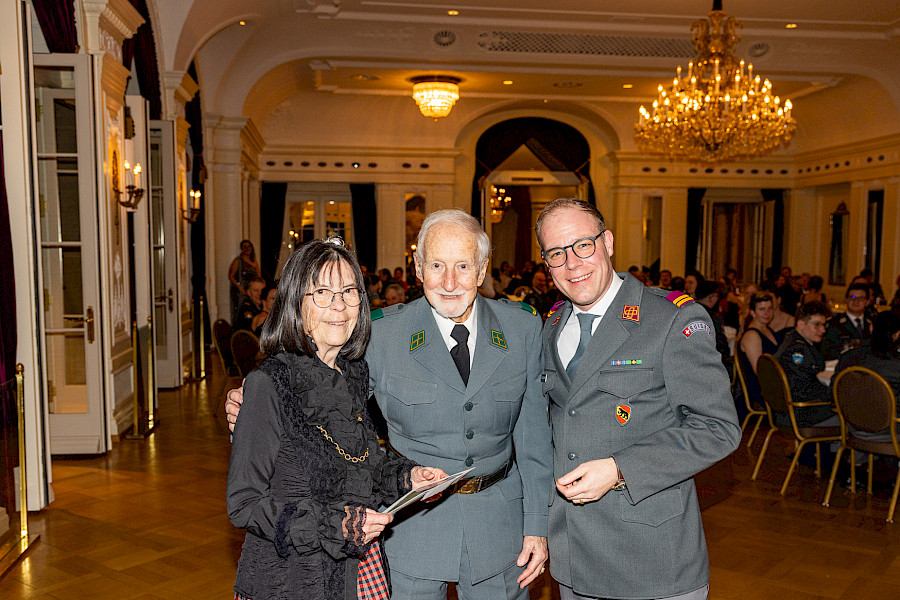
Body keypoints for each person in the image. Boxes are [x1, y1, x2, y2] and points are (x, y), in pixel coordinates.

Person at [228, 209, 553, 600]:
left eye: (463, 265)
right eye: (436, 265)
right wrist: (239, 401)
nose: (449, 282)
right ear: (417, 268)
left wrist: (537, 524)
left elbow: (534, 438)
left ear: (482, 269)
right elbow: (311, 391)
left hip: (499, 527)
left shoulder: (522, 328)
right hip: (411, 530)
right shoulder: (381, 335)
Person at [535, 198, 741, 600]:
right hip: (574, 554)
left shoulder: (670, 319)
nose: (572, 263)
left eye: (583, 245)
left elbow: (717, 428)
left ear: (607, 242)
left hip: (651, 558)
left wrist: (620, 469)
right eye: (556, 254)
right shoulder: (552, 324)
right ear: (546, 263)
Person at [226, 238, 447, 600]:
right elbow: (244, 503)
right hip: (291, 580)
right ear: (296, 302)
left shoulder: (354, 372)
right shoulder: (269, 383)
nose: (340, 306)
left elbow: (363, 465)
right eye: (323, 293)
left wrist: (409, 477)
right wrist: (334, 524)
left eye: (348, 292)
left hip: (357, 569)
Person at [832, 310, 900, 440]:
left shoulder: (848, 357)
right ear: (897, 334)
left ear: (871, 328)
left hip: (852, 426)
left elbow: (834, 391)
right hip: (886, 428)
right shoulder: (895, 365)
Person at [773, 301, 839, 428]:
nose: (823, 330)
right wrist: (836, 392)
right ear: (801, 324)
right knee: (853, 415)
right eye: (817, 325)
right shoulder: (797, 351)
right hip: (800, 412)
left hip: (793, 410)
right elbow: (804, 389)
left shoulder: (792, 339)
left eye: (824, 325)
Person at [738, 292, 780, 410]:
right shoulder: (752, 335)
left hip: (771, 385)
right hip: (761, 392)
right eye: (762, 309)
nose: (767, 313)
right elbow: (760, 371)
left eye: (769, 308)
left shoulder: (767, 329)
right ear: (753, 312)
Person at [823, 282, 872, 359]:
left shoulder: (873, 323)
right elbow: (828, 351)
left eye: (861, 298)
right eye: (852, 297)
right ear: (846, 300)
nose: (856, 301)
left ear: (867, 302)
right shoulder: (835, 324)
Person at [694, 280, 730, 362]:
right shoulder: (711, 318)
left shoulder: (687, 311)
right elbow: (721, 346)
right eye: (717, 296)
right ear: (711, 297)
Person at [228, 239, 263, 321]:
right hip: (241, 292)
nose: (247, 249)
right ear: (241, 249)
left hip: (252, 291)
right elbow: (231, 276)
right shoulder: (238, 261)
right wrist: (240, 288)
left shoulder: (254, 261)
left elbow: (258, 275)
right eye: (244, 247)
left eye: (249, 246)